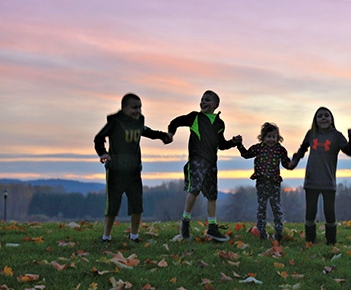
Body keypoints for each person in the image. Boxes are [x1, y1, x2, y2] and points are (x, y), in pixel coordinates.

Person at [94, 93, 172, 243]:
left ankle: (134, 236)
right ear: (124, 108)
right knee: (113, 206)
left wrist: (163, 136)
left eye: (140, 108)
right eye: (134, 108)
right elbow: (98, 138)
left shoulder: (139, 121)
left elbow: (146, 131)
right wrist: (103, 153)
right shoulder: (115, 122)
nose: (138, 111)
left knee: (137, 205)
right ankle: (106, 237)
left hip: (134, 170)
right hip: (115, 170)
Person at [168, 90, 241, 242]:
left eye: (207, 100)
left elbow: (221, 145)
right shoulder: (195, 117)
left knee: (212, 195)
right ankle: (185, 222)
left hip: (212, 162)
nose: (203, 102)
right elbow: (175, 122)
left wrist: (233, 142)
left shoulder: (220, 124)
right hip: (196, 160)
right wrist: (170, 133)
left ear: (216, 105)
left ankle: (212, 228)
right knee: (194, 189)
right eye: (201, 100)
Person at [289, 107, 351, 245]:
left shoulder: (337, 136)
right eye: (320, 116)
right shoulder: (311, 134)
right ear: (315, 120)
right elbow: (302, 149)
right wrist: (294, 162)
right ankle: (310, 241)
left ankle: (331, 242)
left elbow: (350, 151)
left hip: (328, 181)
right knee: (310, 212)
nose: (323, 118)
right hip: (312, 180)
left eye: (326, 115)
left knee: (329, 213)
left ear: (332, 119)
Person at [237, 122, 292, 242]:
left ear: (278, 138)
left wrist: (292, 162)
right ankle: (261, 233)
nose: (271, 139)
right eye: (268, 136)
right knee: (261, 208)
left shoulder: (280, 150)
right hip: (261, 183)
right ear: (263, 137)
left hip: (274, 183)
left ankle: (279, 233)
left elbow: (285, 163)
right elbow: (246, 154)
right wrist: (239, 145)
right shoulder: (258, 148)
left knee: (276, 208)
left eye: (274, 137)